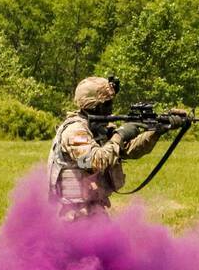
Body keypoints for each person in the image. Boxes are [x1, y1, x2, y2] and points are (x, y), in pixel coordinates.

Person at [47, 76, 164, 219]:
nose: (111, 107)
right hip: (74, 215)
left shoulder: (99, 128)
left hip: (93, 209)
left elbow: (127, 150)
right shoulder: (75, 130)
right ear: (94, 106)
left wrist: (157, 131)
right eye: (107, 104)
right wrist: (120, 134)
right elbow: (94, 161)